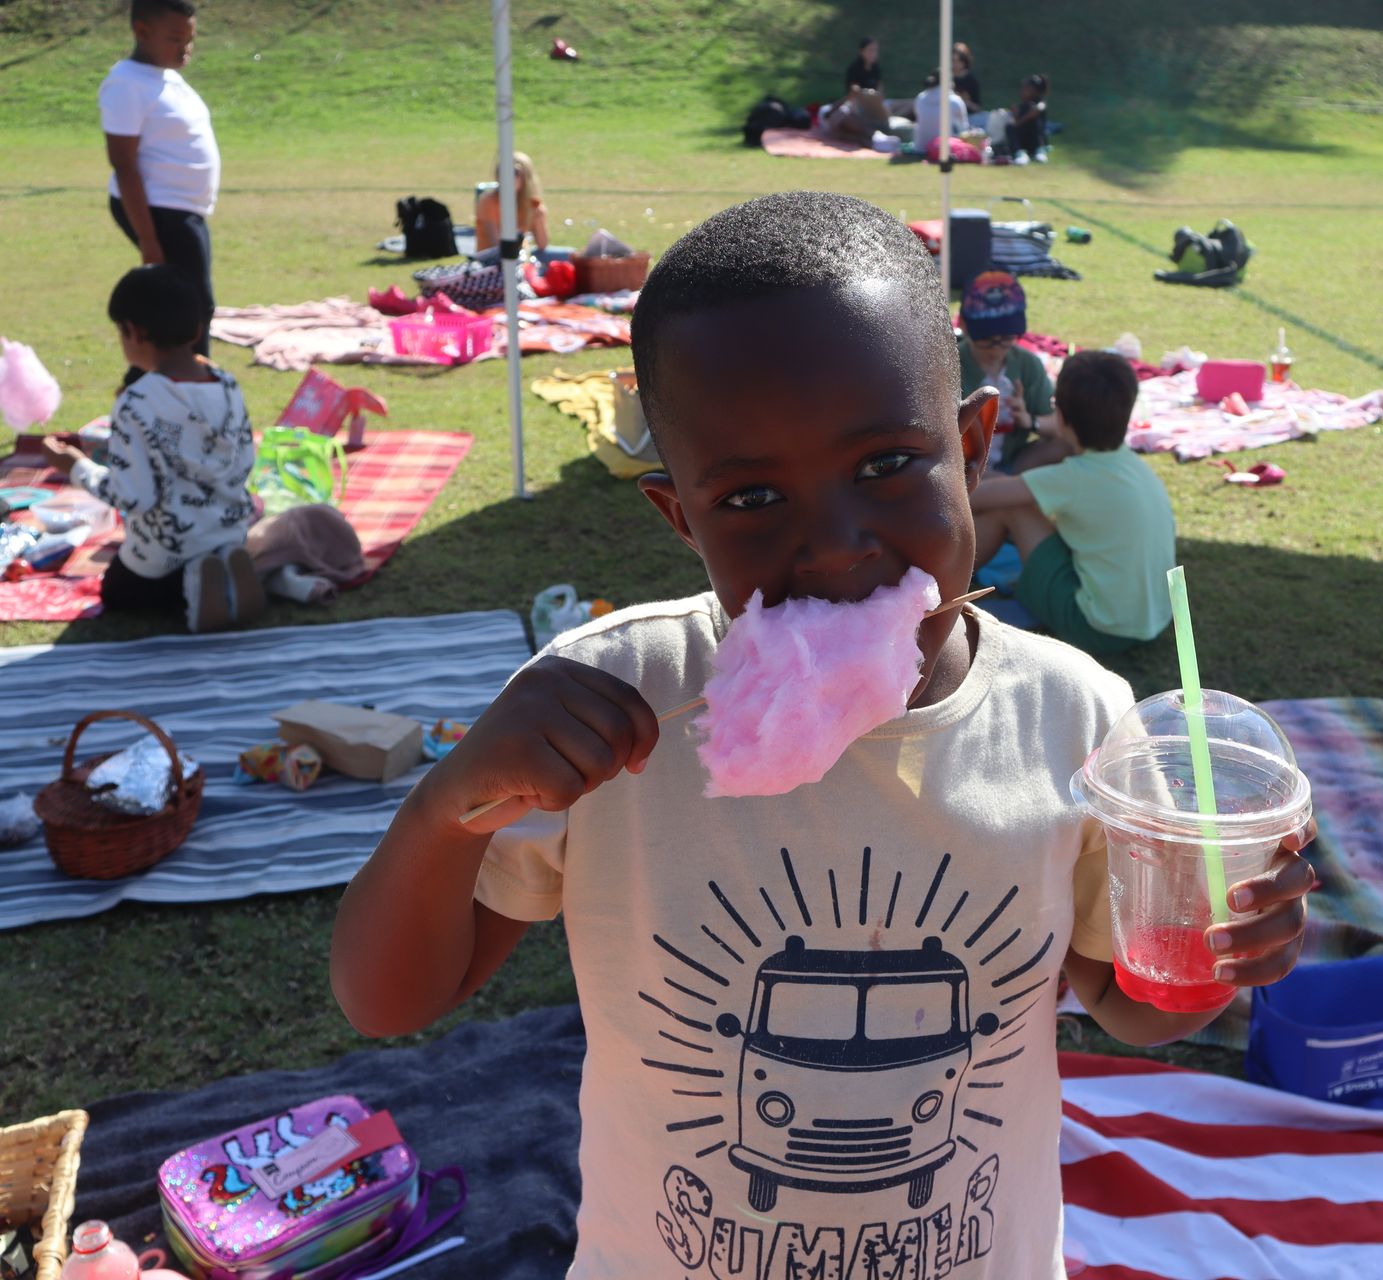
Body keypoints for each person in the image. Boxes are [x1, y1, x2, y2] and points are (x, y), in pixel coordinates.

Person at [330, 191, 1313, 1280]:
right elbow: (390, 995)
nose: (836, 546)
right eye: (751, 496)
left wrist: (1211, 955)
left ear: (975, 445)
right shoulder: (615, 709)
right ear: (680, 517)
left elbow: (1127, 1005)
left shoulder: (1071, 718)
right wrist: (445, 806)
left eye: (888, 466)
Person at [42, 265, 262, 633]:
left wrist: (75, 466)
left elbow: (135, 498)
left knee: (118, 589)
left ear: (133, 331)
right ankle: (233, 575)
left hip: (166, 554)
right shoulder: (227, 384)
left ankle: (190, 584)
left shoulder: (137, 401)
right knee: (205, 551)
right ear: (196, 330)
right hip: (227, 534)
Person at [971, 351, 1174, 654]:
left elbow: (975, 499)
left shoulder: (1073, 478)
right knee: (1008, 487)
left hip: (1098, 629)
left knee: (1011, 505)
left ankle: (946, 582)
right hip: (1152, 620)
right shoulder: (1130, 465)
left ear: (1062, 416)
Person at [100, 0, 220, 379]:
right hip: (159, 211)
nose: (184, 47)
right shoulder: (126, 84)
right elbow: (124, 165)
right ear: (142, 31)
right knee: (193, 310)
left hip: (182, 211)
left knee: (184, 309)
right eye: (174, 38)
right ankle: (185, 396)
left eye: (189, 39)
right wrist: (149, 241)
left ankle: (145, 392)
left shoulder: (165, 77)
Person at [956, 272, 1064, 473]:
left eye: (1005, 337)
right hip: (961, 468)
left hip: (1013, 460)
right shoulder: (949, 365)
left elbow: (1058, 426)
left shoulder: (1027, 364)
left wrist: (1029, 420)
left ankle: (1002, 490)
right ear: (963, 325)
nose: (996, 347)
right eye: (986, 338)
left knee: (1067, 447)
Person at [473, 151, 551, 256]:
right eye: (503, 171)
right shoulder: (488, 202)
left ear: (526, 177)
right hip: (491, 262)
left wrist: (538, 217)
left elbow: (542, 245)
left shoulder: (532, 204)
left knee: (565, 257)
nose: (509, 177)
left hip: (521, 257)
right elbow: (496, 246)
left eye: (515, 172)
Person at [911, 71, 967, 152]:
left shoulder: (920, 97)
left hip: (920, 148)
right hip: (946, 150)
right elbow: (964, 127)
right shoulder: (955, 100)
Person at [1008, 73, 1049, 162]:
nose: (1022, 91)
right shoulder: (1021, 106)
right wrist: (1015, 115)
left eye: (1026, 89)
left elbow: (1036, 111)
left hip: (1035, 140)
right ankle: (1019, 153)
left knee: (1034, 122)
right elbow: (1015, 124)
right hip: (1024, 140)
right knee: (1009, 126)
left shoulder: (1039, 105)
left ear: (1035, 91)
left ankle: (1039, 151)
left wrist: (1019, 121)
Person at [952, 42, 984, 116]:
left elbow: (978, 108)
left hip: (968, 118)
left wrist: (965, 102)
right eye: (953, 60)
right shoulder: (944, 78)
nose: (955, 64)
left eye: (958, 61)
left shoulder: (972, 81)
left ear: (965, 62)